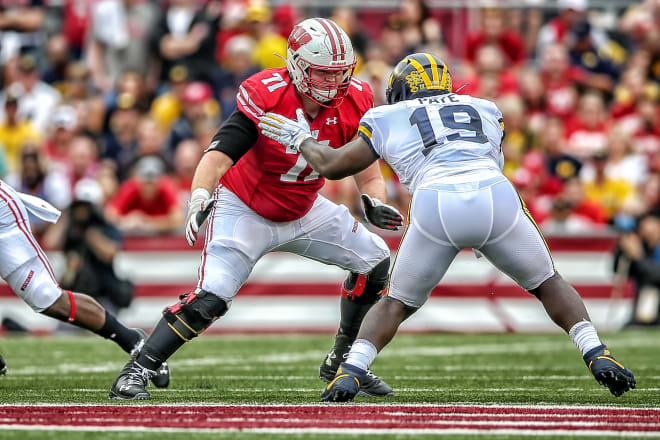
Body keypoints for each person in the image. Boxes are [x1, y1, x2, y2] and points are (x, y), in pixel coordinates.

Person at [258, 53, 636, 401]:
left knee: (395, 302)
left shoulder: (385, 116)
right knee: (548, 281)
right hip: (494, 196)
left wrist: (300, 139)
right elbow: (493, 159)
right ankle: (596, 352)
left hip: (437, 201)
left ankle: (350, 371)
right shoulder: (486, 108)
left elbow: (333, 166)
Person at [108, 17, 403, 400]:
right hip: (245, 206)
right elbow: (219, 154)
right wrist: (200, 194)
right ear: (297, 65)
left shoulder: (356, 98)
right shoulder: (267, 93)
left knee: (376, 262)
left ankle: (342, 360)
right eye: (323, 74)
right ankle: (137, 370)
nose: (334, 84)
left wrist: (374, 200)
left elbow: (366, 170)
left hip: (304, 207)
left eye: (340, 74)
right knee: (212, 297)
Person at [0, 178, 169, 386]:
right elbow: (54, 241)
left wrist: (90, 234)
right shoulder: (71, 227)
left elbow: (110, 252)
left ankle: (132, 340)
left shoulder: (101, 226)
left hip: (105, 295)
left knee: (47, 298)